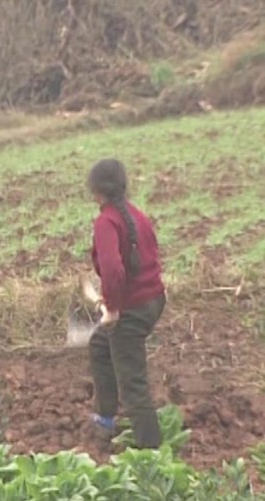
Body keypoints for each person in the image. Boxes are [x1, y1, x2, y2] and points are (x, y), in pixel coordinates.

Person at [86, 158, 166, 450]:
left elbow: (113, 269)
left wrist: (114, 308)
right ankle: (106, 420)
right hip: (154, 300)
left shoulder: (106, 221)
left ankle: (151, 453)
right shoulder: (136, 214)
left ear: (95, 190)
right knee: (99, 346)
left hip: (132, 309)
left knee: (133, 383)